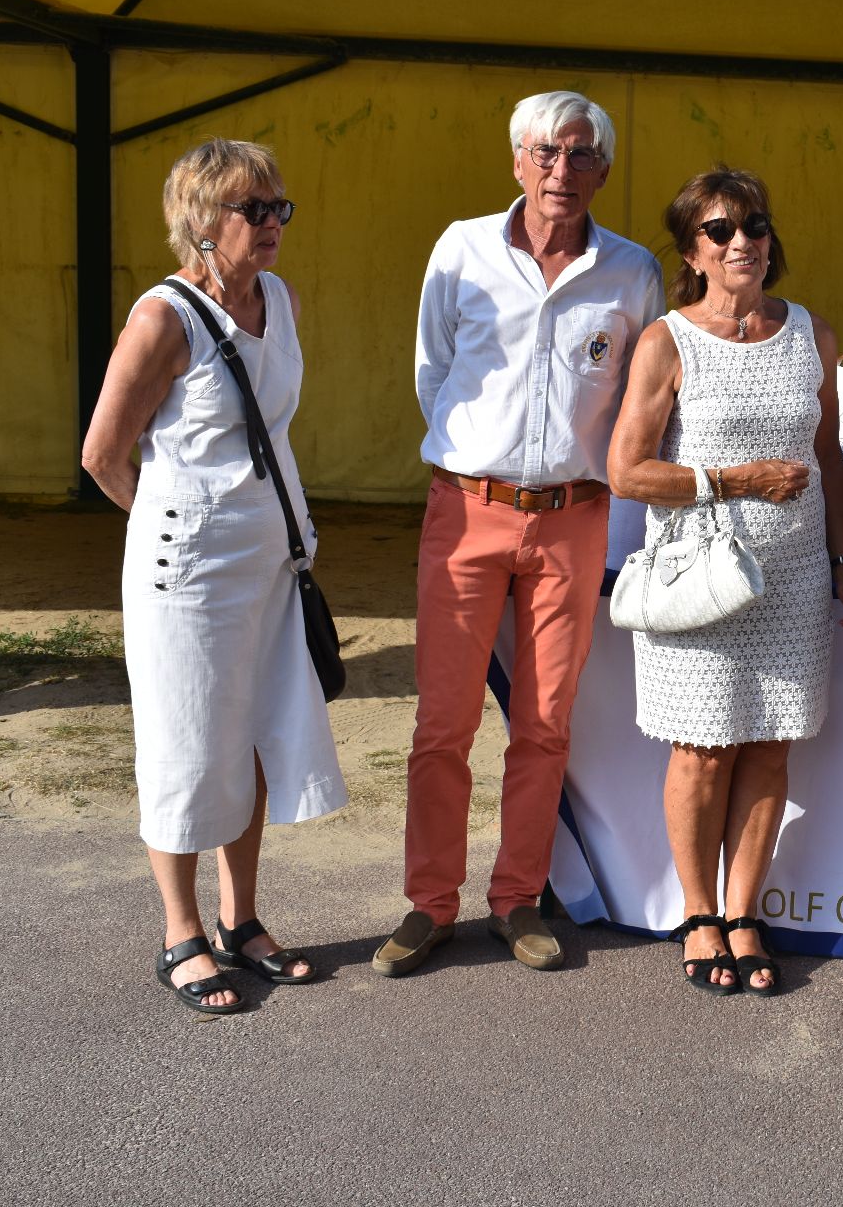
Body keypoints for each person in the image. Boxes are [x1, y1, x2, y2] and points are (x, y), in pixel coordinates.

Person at [374, 91, 662, 977]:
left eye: (581, 155)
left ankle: (518, 899)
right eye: (546, 152)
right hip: (467, 509)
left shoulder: (632, 271)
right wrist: (484, 462)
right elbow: (434, 374)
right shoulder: (461, 250)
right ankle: (430, 903)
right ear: (516, 161)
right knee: (443, 722)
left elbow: (638, 402)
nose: (561, 170)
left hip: (575, 517)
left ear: (603, 171)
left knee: (544, 724)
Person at [82, 139, 348, 1014]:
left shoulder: (282, 299)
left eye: (280, 207)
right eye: (253, 209)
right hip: (186, 575)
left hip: (271, 564)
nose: (273, 223)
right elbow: (103, 455)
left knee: (255, 737)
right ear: (201, 222)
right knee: (188, 745)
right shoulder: (164, 318)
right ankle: (180, 933)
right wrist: (179, 525)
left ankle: (242, 920)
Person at [607, 168, 843, 997]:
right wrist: (736, 481)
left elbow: (828, 458)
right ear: (692, 252)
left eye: (754, 226)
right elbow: (627, 471)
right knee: (702, 750)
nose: (742, 243)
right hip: (699, 578)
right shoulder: (667, 342)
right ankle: (698, 915)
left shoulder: (811, 334)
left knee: (768, 746)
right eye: (720, 230)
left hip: (793, 579)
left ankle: (742, 913)